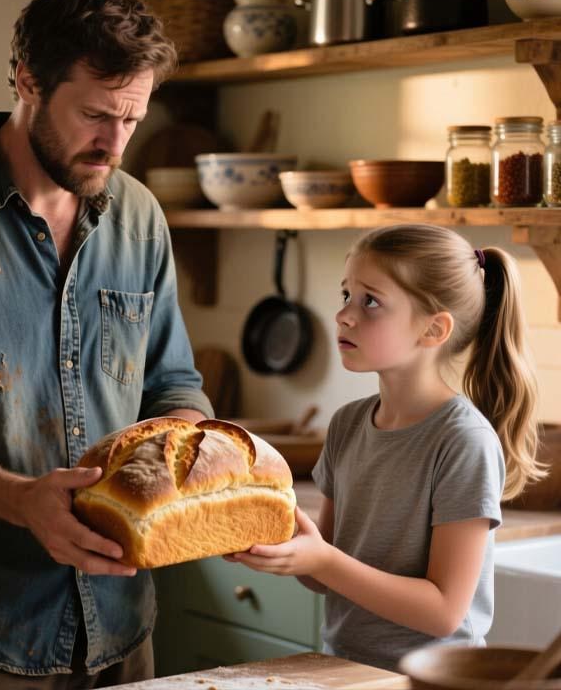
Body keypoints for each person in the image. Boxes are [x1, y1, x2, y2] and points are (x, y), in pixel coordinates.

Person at [0, 0, 213, 688]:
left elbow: (171, 381)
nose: (115, 142)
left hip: (125, 623)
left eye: (133, 118)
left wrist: (200, 465)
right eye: (95, 114)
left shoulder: (140, 215)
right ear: (26, 80)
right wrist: (21, 500)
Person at [228, 224, 545, 672]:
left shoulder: (462, 441)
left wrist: (323, 560)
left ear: (434, 329)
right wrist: (281, 548)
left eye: (370, 301)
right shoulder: (346, 425)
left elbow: (443, 611)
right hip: (346, 669)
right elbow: (326, 573)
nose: (344, 315)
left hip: (432, 679)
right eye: (345, 296)